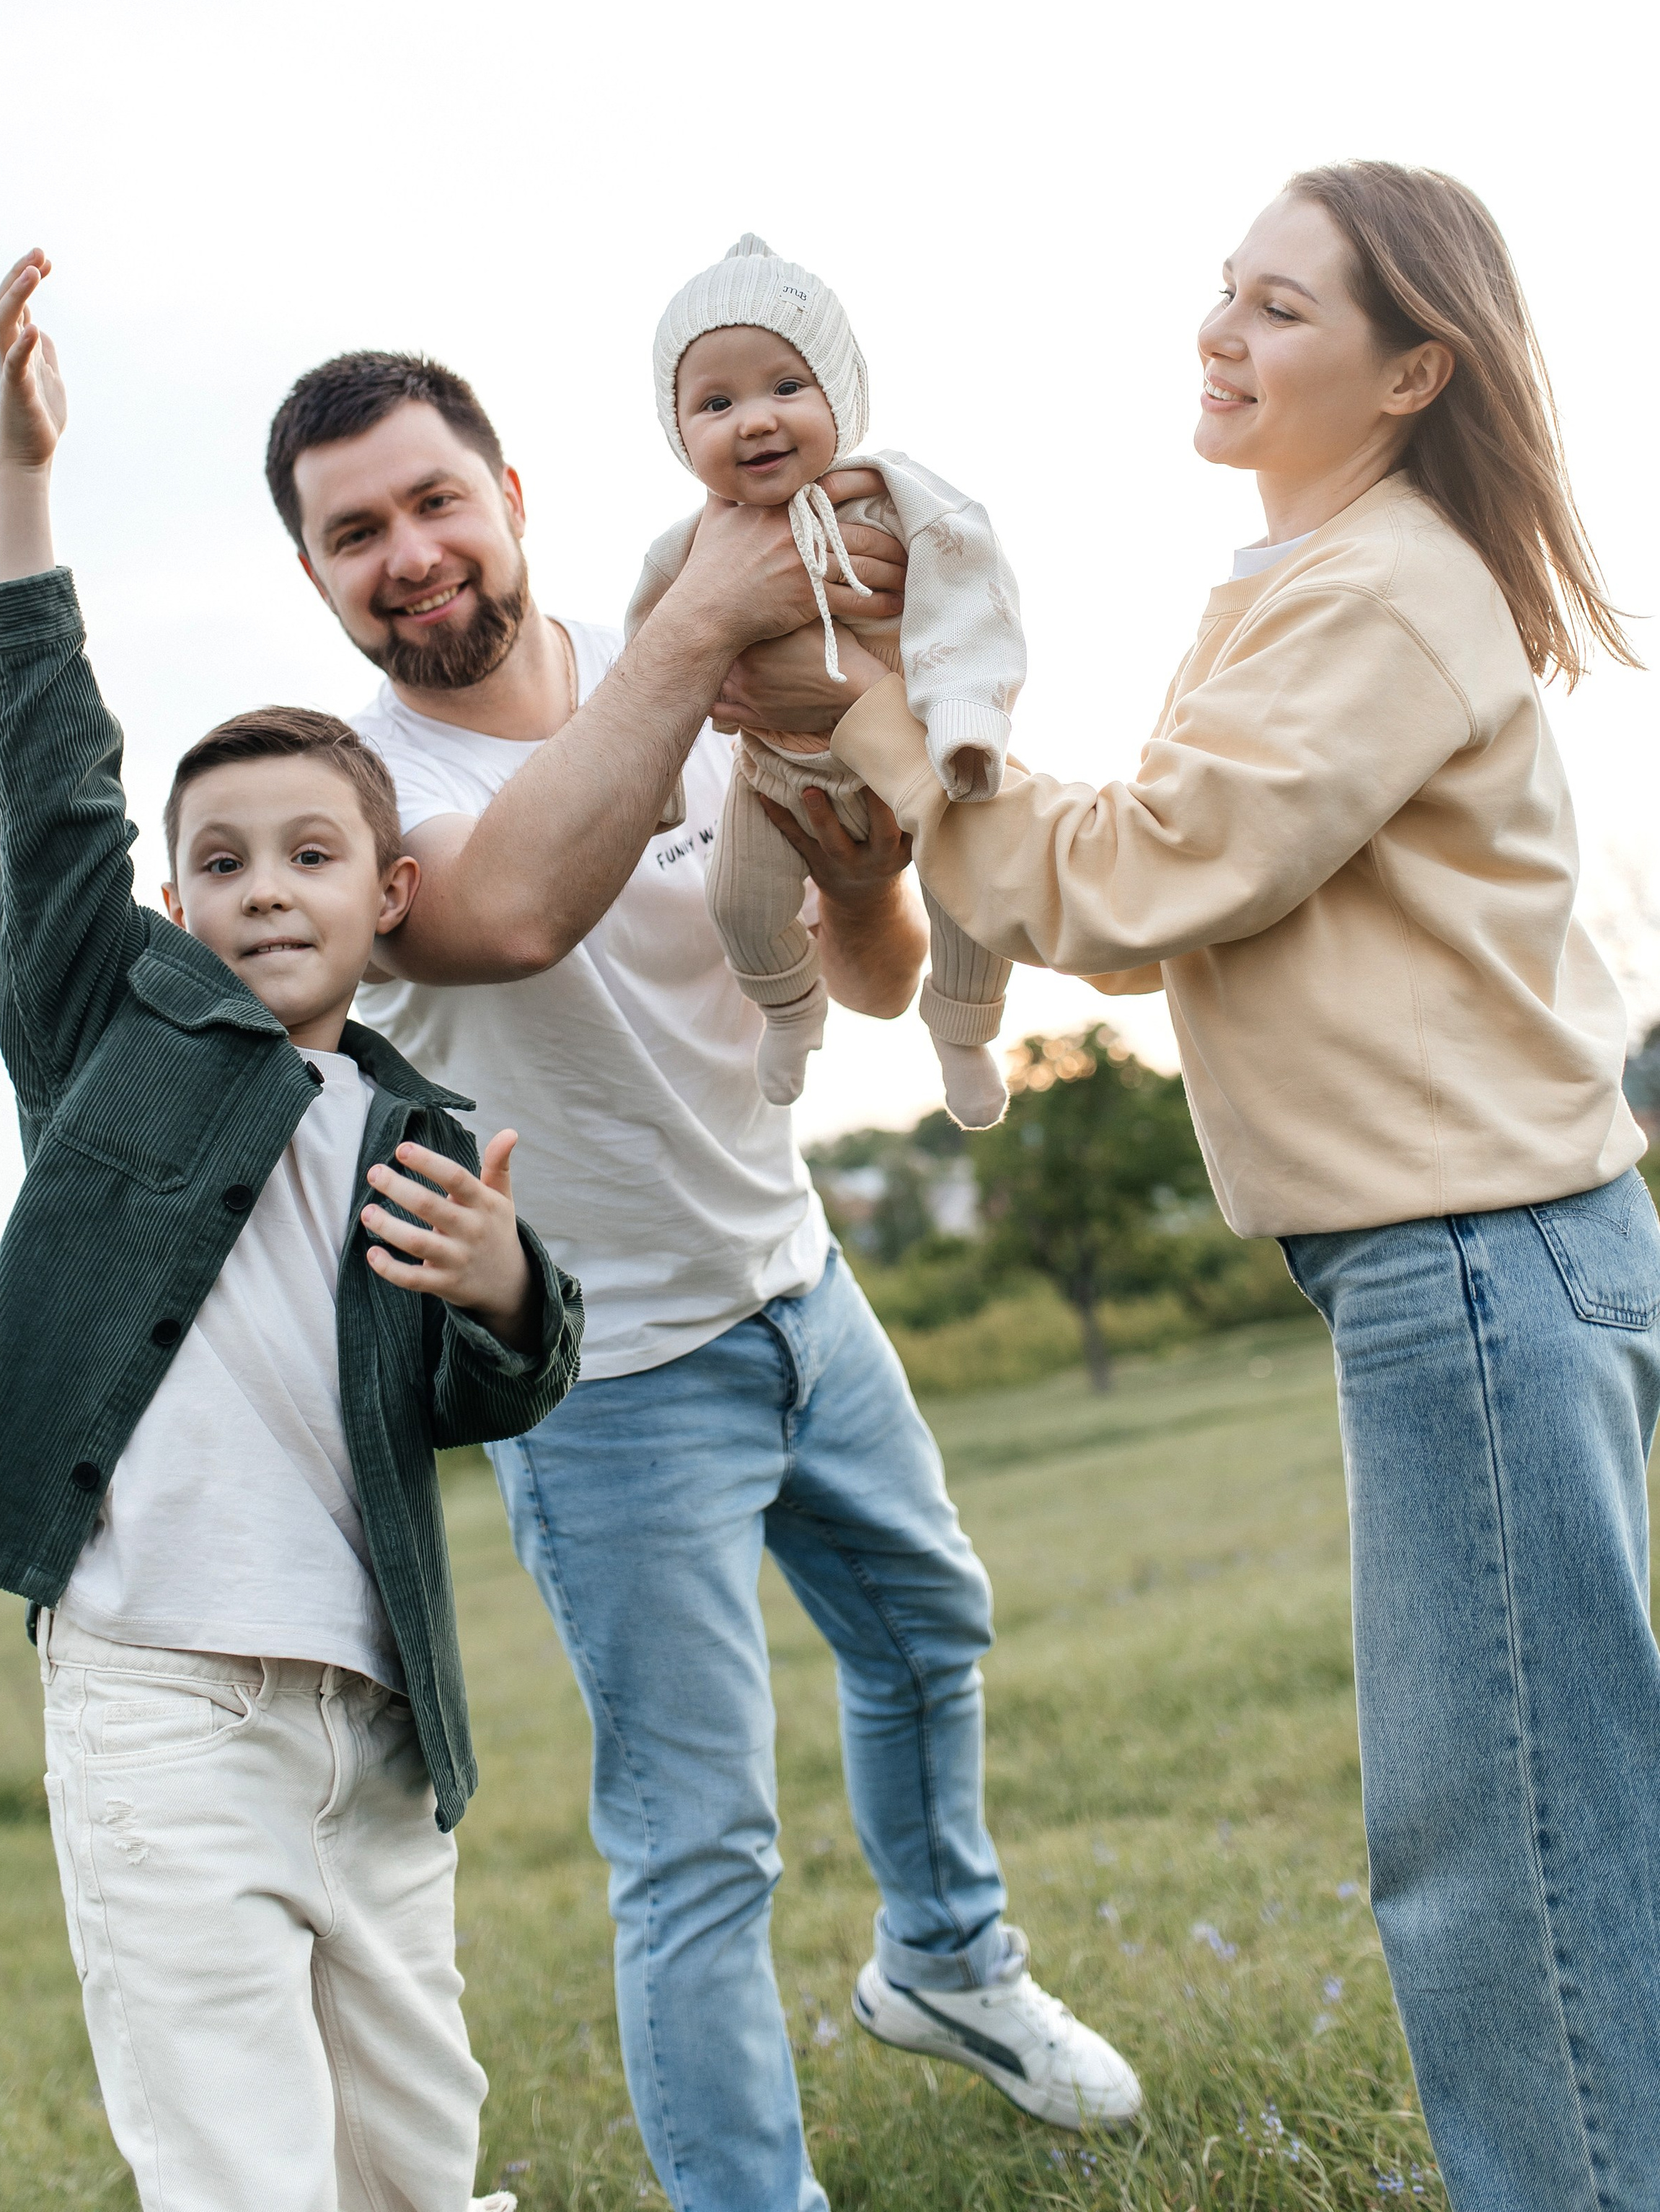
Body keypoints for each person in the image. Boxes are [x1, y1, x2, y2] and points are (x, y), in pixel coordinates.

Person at [716, 162, 1660, 2211]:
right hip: (1460, 1264)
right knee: (1516, 1822)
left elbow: (1145, 874)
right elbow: (1155, 923)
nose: (1221, 332)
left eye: (1283, 309)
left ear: (1418, 370)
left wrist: (874, 720)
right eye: (1222, 291)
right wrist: (915, 768)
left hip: (1478, 1261)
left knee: (1509, 1844)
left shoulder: (1388, 593)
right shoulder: (1310, 585)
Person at [262, 337, 1142, 2212]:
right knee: (698, 1845)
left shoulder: (689, 653)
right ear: (317, 575)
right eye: (354, 533)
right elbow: (508, 909)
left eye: (433, 500)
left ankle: (950, 1968)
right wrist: (708, 626)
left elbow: (879, 979)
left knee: (930, 1631)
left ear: (510, 500)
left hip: (798, 1279)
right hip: (607, 1384)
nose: (407, 551)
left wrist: (860, 866)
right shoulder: (358, 806)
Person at [0, 253, 583, 2212]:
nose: (263, 888)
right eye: (217, 860)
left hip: (374, 1717)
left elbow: (498, 1378)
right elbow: (46, 789)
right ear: (174, 902)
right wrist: (28, 489)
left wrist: (510, 1287)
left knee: (416, 2158)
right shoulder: (114, 1043)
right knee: (240, 2167)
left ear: (393, 891)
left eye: (309, 856)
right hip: (160, 1692)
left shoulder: (424, 1124)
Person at [627, 233, 1023, 1128]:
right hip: (774, 769)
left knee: (975, 894)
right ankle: (789, 1012)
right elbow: (649, 657)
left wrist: (964, 713)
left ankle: (962, 1029)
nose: (755, 420)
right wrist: (655, 777)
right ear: (678, 430)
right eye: (716, 402)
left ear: (840, 396)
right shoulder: (689, 546)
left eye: (785, 387)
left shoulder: (896, 495)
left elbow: (972, 593)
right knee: (736, 901)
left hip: (921, 757)